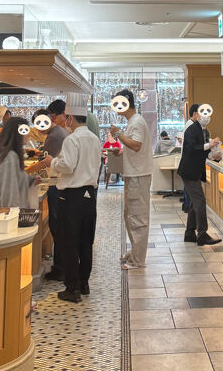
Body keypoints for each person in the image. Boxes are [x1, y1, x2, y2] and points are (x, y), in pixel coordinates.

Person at [42, 97, 101, 303]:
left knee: (69, 242)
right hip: (90, 195)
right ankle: (84, 284)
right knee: (86, 241)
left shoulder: (72, 139)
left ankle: (72, 288)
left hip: (71, 196)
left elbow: (67, 166)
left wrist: (52, 162)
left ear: (70, 118)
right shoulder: (94, 138)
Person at [110, 88, 153, 270]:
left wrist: (118, 134)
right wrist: (121, 151)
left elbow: (136, 145)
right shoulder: (133, 122)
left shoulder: (137, 121)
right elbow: (133, 147)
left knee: (138, 217)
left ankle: (138, 260)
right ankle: (135, 252)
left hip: (138, 175)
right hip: (134, 174)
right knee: (130, 215)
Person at [30, 107, 68, 281]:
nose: (38, 129)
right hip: (59, 183)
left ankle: (60, 268)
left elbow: (46, 162)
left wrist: (25, 172)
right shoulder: (58, 132)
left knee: (57, 227)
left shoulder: (54, 136)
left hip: (57, 184)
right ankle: (61, 266)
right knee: (58, 227)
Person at [177, 103, 222, 246]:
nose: (206, 117)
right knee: (200, 202)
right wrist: (209, 145)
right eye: (203, 113)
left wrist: (214, 155)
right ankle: (202, 234)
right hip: (189, 171)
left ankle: (190, 233)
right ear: (196, 114)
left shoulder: (204, 131)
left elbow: (203, 152)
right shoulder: (191, 129)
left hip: (195, 171)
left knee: (193, 202)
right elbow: (191, 148)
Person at [0, 116, 39, 208]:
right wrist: (14, 214)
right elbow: (9, 195)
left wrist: (30, 180)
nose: (28, 134)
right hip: (7, 214)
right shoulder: (9, 157)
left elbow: (15, 180)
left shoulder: (8, 154)